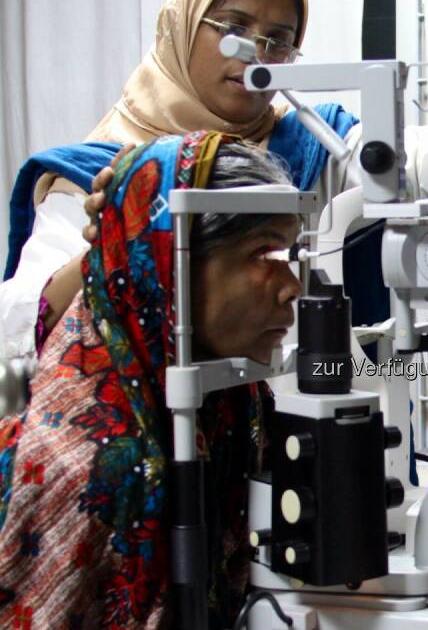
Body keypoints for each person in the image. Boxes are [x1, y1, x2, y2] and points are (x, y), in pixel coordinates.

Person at [1, 0, 428, 361]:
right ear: (179, 28)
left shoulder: (305, 143)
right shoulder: (97, 173)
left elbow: (419, 152)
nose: (258, 54)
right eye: (234, 29)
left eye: (279, 40)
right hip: (162, 453)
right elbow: (18, 329)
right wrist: (108, 249)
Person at [0, 132, 306, 627]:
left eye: (288, 256)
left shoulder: (232, 404)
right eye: (263, 254)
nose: (292, 287)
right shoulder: (82, 467)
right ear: (171, 262)